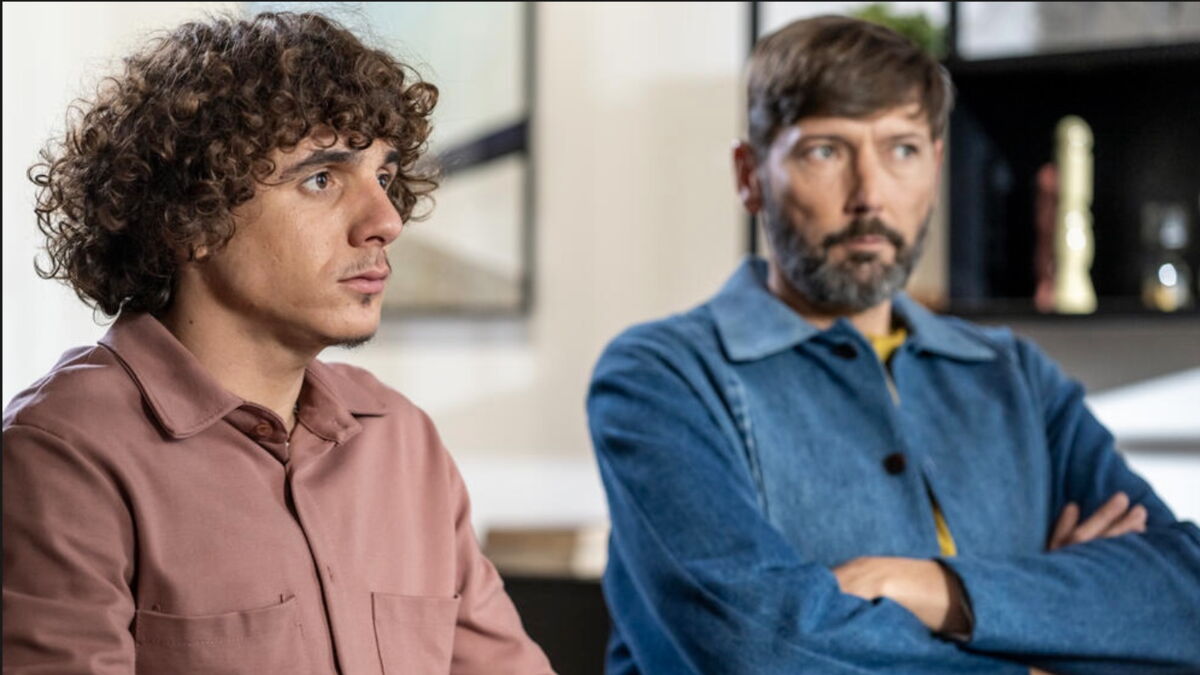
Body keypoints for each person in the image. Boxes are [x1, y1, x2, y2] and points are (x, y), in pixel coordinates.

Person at [586, 15, 1200, 675]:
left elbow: (1183, 599)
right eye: (825, 150)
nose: (869, 195)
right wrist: (1048, 646)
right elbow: (761, 646)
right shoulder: (661, 377)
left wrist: (928, 587)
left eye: (901, 149)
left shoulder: (1014, 375)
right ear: (749, 175)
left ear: (936, 165)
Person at [2, 12, 553, 675]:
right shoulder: (65, 451)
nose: (386, 221)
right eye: (321, 179)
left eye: (384, 177)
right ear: (191, 219)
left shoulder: (403, 440)